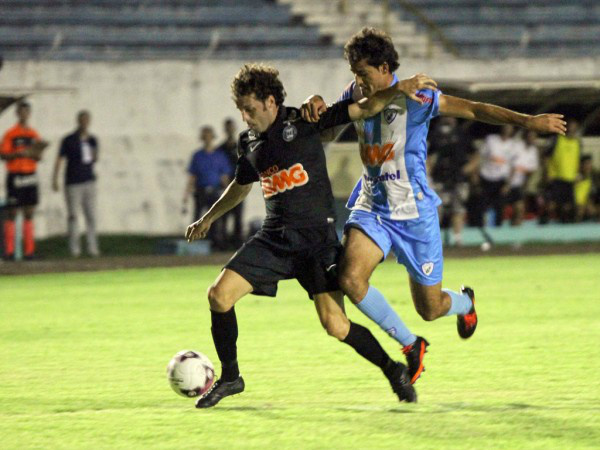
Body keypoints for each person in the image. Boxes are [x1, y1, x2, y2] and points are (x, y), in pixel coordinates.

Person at [301, 27, 566, 375]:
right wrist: (316, 106)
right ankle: (412, 344)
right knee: (351, 279)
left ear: (384, 68)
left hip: (413, 213)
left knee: (430, 307)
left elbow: (472, 109)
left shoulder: (418, 97)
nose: (358, 81)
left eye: (363, 73)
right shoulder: (355, 92)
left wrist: (528, 121)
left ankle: (464, 303)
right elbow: (327, 131)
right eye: (354, 74)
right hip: (372, 206)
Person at [186, 63, 438, 407]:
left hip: (316, 242)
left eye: (250, 109)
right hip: (274, 239)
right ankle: (231, 377)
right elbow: (241, 185)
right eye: (240, 110)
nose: (244, 117)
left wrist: (399, 88)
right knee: (218, 296)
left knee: (336, 325)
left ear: (271, 101)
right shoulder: (249, 142)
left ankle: (392, 370)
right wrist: (209, 217)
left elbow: (364, 107)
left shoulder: (305, 120)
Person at [0, 101, 47, 260]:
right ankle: (10, 251)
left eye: (27, 111)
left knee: (29, 212)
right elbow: (3, 155)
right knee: (12, 212)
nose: (24, 114)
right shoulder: (10, 134)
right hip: (15, 175)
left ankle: (29, 251)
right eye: (21, 111)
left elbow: (39, 156)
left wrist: (35, 152)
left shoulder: (33, 134)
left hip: (30, 175)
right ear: (17, 113)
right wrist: (20, 154)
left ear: (29, 114)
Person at [52, 110, 100, 257]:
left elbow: (95, 158)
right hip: (73, 182)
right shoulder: (69, 140)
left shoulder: (92, 140)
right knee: (73, 215)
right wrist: (55, 177)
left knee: (91, 215)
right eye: (82, 120)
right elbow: (60, 159)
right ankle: (75, 248)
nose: (84, 123)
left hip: (89, 180)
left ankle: (92, 247)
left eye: (87, 120)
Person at [427, 116, 477, 245]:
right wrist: (428, 173)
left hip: (459, 177)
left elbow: (475, 154)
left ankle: (457, 238)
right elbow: (427, 155)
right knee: (436, 208)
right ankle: (434, 239)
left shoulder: (462, 134)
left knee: (458, 208)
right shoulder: (435, 135)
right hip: (439, 177)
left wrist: (468, 169)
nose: (448, 120)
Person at [183, 126, 232, 251]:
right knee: (198, 218)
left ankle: (215, 244)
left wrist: (229, 193)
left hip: (215, 191)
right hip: (201, 191)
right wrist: (186, 195)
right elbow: (192, 176)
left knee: (214, 219)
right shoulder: (197, 156)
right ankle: (194, 244)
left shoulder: (219, 156)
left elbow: (224, 177)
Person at [541, 118, 582, 223]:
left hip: (570, 179)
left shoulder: (577, 143)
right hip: (556, 178)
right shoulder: (556, 140)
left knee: (568, 206)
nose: (572, 130)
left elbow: (577, 160)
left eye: (574, 128)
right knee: (551, 205)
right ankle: (543, 222)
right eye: (570, 128)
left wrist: (577, 174)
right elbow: (545, 156)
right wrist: (547, 173)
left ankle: (564, 224)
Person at [216, 118, 244, 247]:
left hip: (239, 185)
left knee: (238, 215)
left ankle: (237, 242)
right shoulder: (220, 149)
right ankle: (223, 243)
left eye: (231, 127)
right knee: (224, 215)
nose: (230, 130)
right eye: (228, 127)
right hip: (225, 186)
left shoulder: (241, 146)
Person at [506, 130, 540, 226]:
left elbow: (531, 171)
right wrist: (507, 183)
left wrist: (525, 184)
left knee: (519, 209)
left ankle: (516, 234)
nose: (532, 139)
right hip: (506, 182)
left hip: (518, 184)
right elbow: (512, 165)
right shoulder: (517, 146)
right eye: (530, 136)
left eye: (534, 137)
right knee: (502, 210)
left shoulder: (533, 151)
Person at [574, 155, 596, 222]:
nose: (588, 166)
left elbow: (587, 195)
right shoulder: (577, 178)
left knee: (592, 209)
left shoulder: (590, 179)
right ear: (581, 165)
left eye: (589, 164)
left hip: (584, 204)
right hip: (576, 204)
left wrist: (588, 204)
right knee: (580, 210)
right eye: (586, 164)